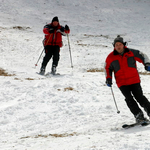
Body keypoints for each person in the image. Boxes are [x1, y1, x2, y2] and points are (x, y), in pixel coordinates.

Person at [104, 35, 150, 123]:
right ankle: (139, 116)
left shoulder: (131, 52)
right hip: (122, 83)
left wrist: (147, 64)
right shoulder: (110, 57)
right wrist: (108, 78)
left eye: (119, 44)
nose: (118, 46)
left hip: (134, 80)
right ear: (114, 46)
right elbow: (107, 68)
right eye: (116, 45)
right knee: (129, 99)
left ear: (123, 45)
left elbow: (143, 56)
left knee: (140, 97)